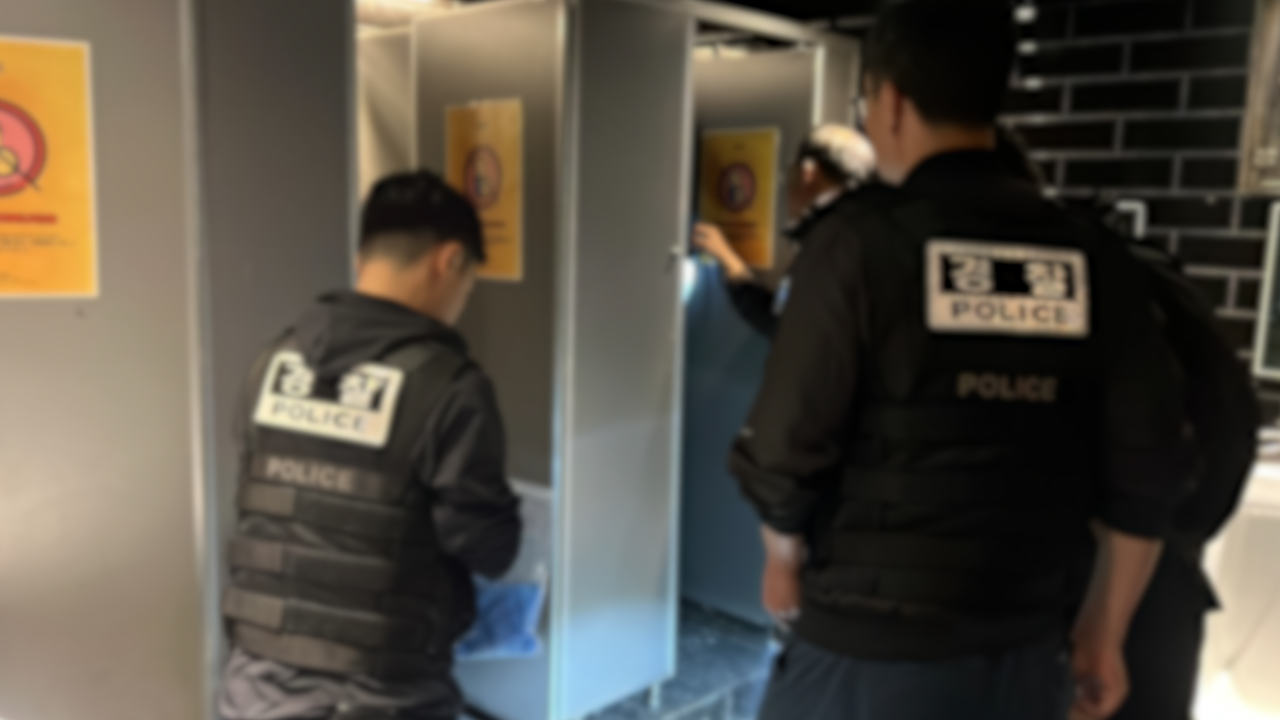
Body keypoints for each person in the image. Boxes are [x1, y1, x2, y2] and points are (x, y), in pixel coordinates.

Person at [729, 2, 1192, 720]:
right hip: (1025, 653)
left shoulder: (856, 244)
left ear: (890, 101)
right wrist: (1104, 633)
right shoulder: (1094, 257)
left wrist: (780, 561)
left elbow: (786, 446)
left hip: (863, 651)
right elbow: (1150, 470)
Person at [217, 170, 521, 720]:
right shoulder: (450, 388)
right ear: (449, 261)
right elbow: (489, 547)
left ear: (362, 260)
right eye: (469, 284)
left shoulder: (269, 363)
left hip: (254, 690)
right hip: (383, 697)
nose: (463, 299)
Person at [692, 124, 876, 338]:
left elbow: (779, 324)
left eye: (790, 172)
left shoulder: (824, 250)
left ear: (808, 173)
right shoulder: (860, 240)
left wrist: (727, 257)